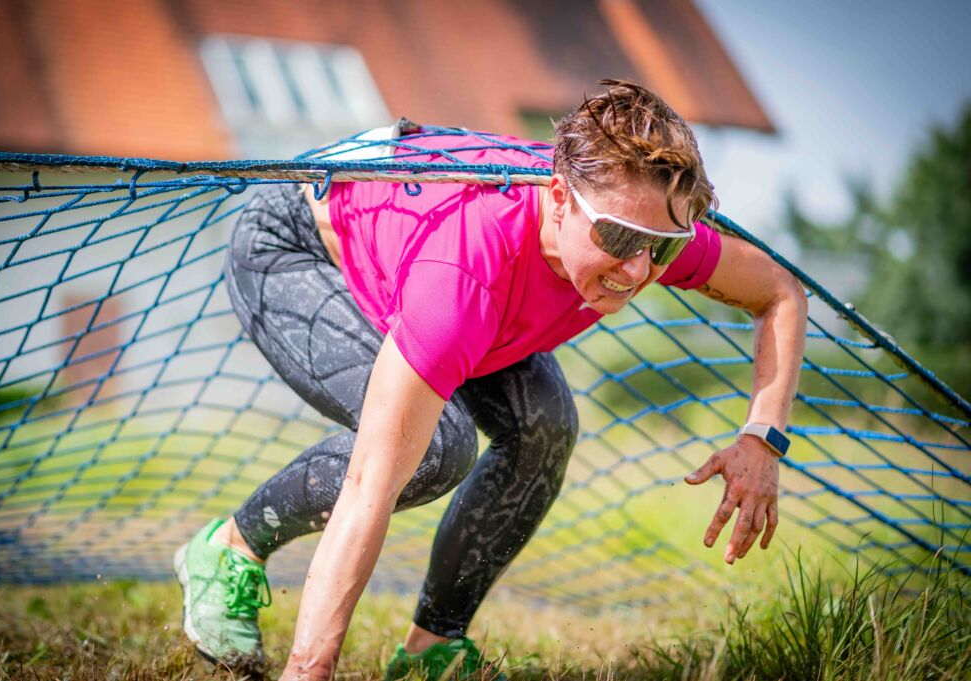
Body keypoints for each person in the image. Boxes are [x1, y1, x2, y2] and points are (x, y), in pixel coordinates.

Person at [174, 79, 807, 681]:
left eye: (662, 247)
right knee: (434, 448)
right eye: (618, 238)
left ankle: (431, 649)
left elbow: (780, 292)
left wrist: (762, 439)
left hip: (434, 266)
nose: (638, 270)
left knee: (544, 425)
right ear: (559, 197)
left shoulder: (641, 220)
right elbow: (370, 483)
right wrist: (309, 670)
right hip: (296, 247)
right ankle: (229, 546)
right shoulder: (465, 274)